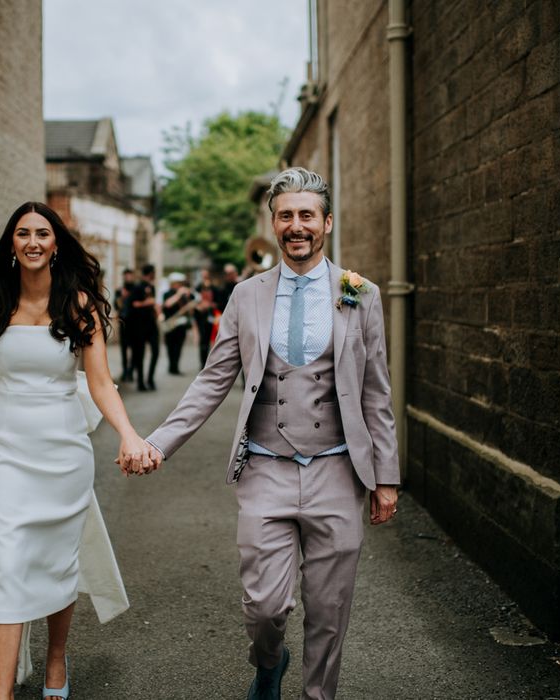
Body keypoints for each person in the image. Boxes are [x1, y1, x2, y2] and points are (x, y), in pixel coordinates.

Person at [144, 168, 400, 699]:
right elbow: (213, 380)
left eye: (307, 215)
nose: (296, 225)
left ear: (326, 223)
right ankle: (269, 661)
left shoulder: (361, 294)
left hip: (337, 469)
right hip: (265, 467)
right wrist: (158, 441)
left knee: (330, 610)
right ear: (274, 223)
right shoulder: (246, 296)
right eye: (286, 215)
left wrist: (386, 477)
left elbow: (376, 391)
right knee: (264, 607)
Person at [0, 202, 159, 700]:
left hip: (63, 453)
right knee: (7, 566)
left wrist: (129, 434)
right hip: (3, 452)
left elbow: (101, 383)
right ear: (12, 245)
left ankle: (56, 660)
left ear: (56, 243)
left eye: (42, 232)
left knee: (59, 561)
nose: (33, 241)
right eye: (23, 233)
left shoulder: (79, 305)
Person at [127, 263, 159, 391]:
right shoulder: (137, 287)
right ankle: (140, 382)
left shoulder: (152, 287)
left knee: (156, 352)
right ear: (150, 273)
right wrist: (147, 302)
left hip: (151, 324)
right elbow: (133, 304)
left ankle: (150, 379)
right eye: (153, 273)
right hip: (139, 326)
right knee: (139, 354)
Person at [161, 272, 195, 375]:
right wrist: (179, 294)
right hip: (170, 324)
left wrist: (188, 297)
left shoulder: (185, 295)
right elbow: (167, 304)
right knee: (170, 346)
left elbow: (191, 307)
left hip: (181, 324)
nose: (180, 285)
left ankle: (175, 367)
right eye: (178, 283)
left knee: (179, 346)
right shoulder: (167, 293)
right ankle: (171, 366)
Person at [113, 268, 136, 382]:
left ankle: (131, 371)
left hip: (135, 323)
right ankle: (125, 371)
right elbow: (117, 306)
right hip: (124, 322)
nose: (128, 278)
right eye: (126, 275)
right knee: (124, 348)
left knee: (134, 349)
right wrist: (122, 297)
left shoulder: (136, 289)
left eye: (130, 275)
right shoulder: (119, 290)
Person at [193, 267, 218, 368]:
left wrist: (211, 305)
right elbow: (194, 302)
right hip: (201, 318)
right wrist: (199, 307)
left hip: (213, 317)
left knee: (213, 341)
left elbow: (220, 303)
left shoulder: (215, 289)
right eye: (203, 276)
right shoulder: (197, 288)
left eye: (206, 276)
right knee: (203, 342)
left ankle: (212, 363)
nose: (205, 278)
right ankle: (202, 364)